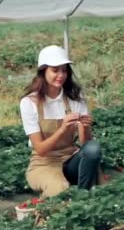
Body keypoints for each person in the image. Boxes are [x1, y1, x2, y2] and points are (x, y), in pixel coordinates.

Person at [20, 45, 104, 198]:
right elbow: (40, 150)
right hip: (44, 163)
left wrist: (85, 128)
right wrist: (63, 129)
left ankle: (84, 198)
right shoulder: (29, 103)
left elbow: (85, 144)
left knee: (92, 148)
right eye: (55, 70)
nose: (61, 75)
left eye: (64, 70)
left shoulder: (75, 99)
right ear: (43, 71)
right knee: (60, 190)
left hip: (70, 159)